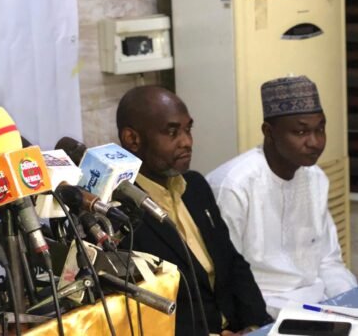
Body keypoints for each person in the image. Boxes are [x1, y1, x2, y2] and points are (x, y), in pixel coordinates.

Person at [116, 86, 271, 335]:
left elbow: (232, 263)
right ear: (132, 139)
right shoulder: (118, 212)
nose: (187, 142)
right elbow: (139, 309)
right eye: (172, 132)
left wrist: (254, 326)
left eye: (188, 129)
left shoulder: (195, 186)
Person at [207, 75, 356, 316]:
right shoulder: (234, 186)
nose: (315, 142)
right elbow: (226, 278)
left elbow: (328, 260)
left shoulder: (315, 178)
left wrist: (350, 302)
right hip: (264, 309)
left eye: (320, 129)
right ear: (269, 132)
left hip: (317, 304)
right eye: (300, 132)